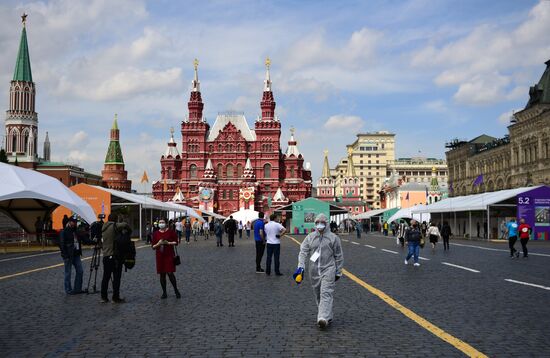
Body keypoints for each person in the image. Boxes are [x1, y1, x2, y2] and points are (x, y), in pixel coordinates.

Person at [296, 213, 344, 329]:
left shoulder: (333, 238)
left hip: (329, 269)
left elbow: (339, 255)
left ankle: (322, 318)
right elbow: (303, 252)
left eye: (322, 222)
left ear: (327, 224)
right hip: (313, 271)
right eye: (317, 222)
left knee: (326, 293)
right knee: (318, 294)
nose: (319, 225)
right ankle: (328, 316)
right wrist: (300, 267)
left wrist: (338, 271)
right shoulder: (310, 237)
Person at [100, 214, 132, 303]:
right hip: (115, 256)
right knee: (116, 277)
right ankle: (115, 297)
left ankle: (103, 297)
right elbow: (125, 225)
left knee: (105, 277)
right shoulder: (114, 226)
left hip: (106, 256)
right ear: (115, 220)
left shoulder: (104, 227)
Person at [59, 217, 92, 294]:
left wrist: (94, 241)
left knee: (80, 271)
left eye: (75, 222)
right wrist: (65, 255)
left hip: (76, 254)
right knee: (68, 273)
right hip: (68, 255)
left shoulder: (77, 231)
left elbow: (85, 240)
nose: (75, 223)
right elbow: (61, 244)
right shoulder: (64, 231)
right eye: (73, 222)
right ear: (69, 222)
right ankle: (68, 290)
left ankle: (77, 289)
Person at [151, 218, 181, 299]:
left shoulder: (171, 232)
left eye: (163, 222)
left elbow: (176, 242)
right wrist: (159, 243)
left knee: (170, 273)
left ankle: (176, 290)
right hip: (160, 256)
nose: (161, 224)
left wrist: (168, 243)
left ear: (166, 223)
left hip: (169, 255)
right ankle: (164, 292)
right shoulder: (156, 233)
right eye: (160, 222)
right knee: (162, 274)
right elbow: (153, 246)